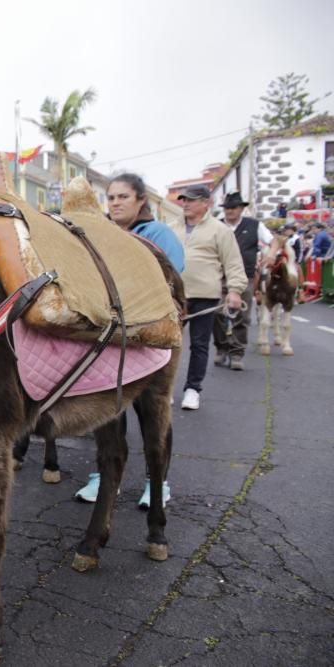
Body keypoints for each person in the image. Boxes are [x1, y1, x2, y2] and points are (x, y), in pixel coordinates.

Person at [75, 172, 185, 507]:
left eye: (123, 197)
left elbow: (170, 283)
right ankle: (105, 475)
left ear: (141, 200)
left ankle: (158, 482)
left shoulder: (159, 235)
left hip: (150, 336)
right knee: (108, 412)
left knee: (154, 412)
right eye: (111, 198)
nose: (116, 203)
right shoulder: (100, 234)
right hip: (108, 337)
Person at [169, 185, 246, 411]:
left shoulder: (220, 230)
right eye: (184, 200)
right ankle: (167, 387)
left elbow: (232, 262)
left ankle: (193, 389)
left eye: (191, 200)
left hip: (205, 295)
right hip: (174, 295)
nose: (186, 203)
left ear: (206, 203)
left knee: (199, 345)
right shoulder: (172, 228)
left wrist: (235, 290)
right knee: (169, 345)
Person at [213, 192, 272, 371]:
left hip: (244, 276)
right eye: (227, 208)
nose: (230, 211)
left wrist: (271, 254)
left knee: (242, 316)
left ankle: (237, 352)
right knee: (217, 314)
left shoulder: (254, 225)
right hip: (218, 276)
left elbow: (273, 240)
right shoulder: (216, 225)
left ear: (241, 209)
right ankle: (222, 348)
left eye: (233, 208)